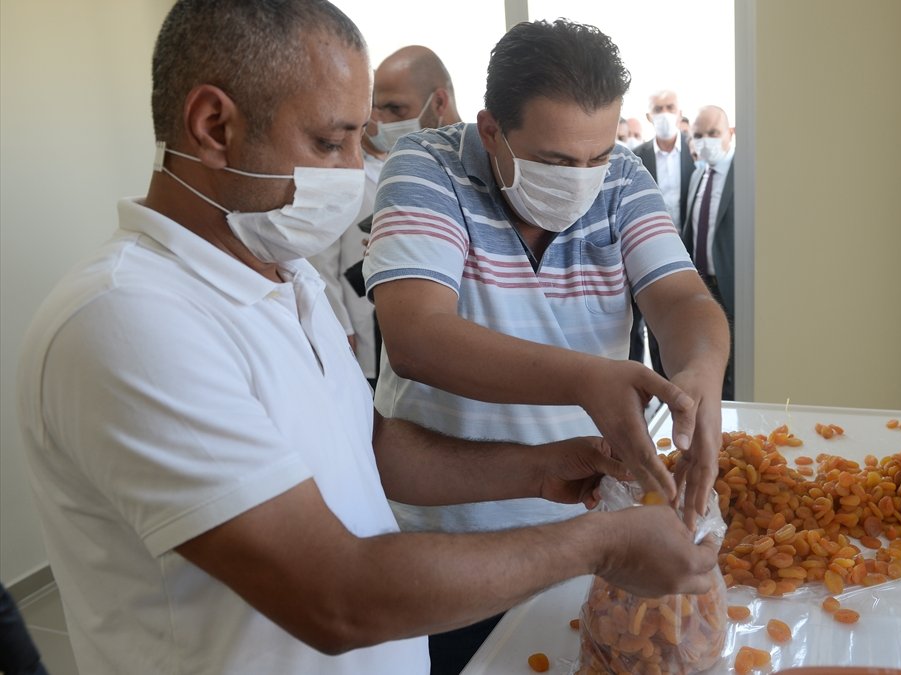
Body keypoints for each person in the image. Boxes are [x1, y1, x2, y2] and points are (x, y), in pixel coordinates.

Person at [15, 3, 719, 674]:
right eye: (329, 140)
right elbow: (334, 593)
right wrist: (600, 542)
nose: (356, 171)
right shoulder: (129, 319)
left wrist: (534, 469)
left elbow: (369, 447)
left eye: (362, 137)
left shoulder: (282, 281)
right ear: (211, 124)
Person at [363, 19, 730, 671]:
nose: (582, 180)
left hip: (591, 527)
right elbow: (416, 333)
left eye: (596, 155)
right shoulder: (427, 169)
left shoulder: (622, 181)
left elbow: (683, 302)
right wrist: (586, 379)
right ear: (490, 131)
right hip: (451, 537)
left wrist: (702, 368)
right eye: (557, 162)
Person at [313, 45, 465, 386]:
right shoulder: (366, 170)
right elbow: (320, 263)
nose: (379, 122)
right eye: (376, 109)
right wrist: (340, 328)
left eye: (395, 109)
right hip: (375, 330)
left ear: (439, 103)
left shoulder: (481, 168)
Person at [630, 89, 696, 373]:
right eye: (659, 109)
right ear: (649, 116)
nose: (665, 114)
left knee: (685, 332)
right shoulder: (636, 158)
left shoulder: (696, 156)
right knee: (650, 334)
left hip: (691, 257)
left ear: (680, 113)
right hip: (646, 258)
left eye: (671, 107)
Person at [683, 105, 737, 400]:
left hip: (732, 287)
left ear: (729, 133)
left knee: (737, 368)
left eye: (713, 133)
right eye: (699, 135)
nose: (706, 141)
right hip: (703, 287)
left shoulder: (746, 172)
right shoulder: (698, 177)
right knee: (709, 364)